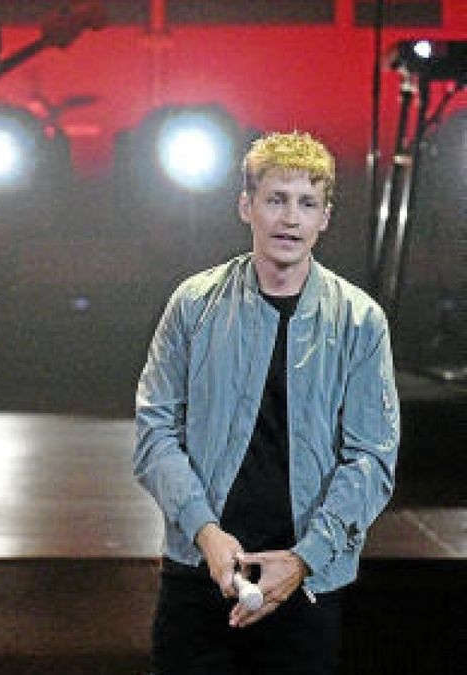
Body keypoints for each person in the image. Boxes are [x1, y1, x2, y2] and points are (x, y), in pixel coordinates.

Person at [133, 131, 401, 674]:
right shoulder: (194, 304)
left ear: (325, 217)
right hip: (199, 569)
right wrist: (206, 533)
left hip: (306, 579)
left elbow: (372, 457)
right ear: (246, 206)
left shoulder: (359, 319)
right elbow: (155, 432)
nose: (290, 218)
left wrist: (303, 561)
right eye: (276, 199)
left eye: (307, 203)